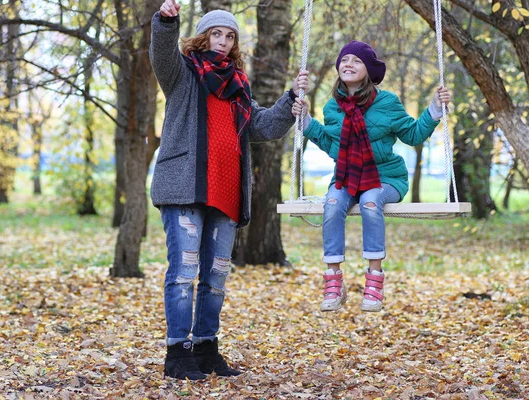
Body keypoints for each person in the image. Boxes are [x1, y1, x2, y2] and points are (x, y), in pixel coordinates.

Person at [150, 0, 309, 380]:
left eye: (230, 36)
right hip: (185, 190)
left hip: (226, 194)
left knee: (215, 278)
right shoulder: (183, 73)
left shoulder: (237, 86)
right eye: (216, 33)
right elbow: (161, 54)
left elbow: (263, 127)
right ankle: (177, 354)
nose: (223, 41)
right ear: (204, 36)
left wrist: (290, 101)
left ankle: (206, 349)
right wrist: (165, 22)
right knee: (184, 273)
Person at [291, 40, 451, 313]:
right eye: (344, 60)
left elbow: (412, 135)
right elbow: (333, 146)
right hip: (347, 177)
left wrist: (435, 108)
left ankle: (374, 281)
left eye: (356, 61)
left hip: (386, 178)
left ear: (368, 71)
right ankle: (333, 281)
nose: (348, 64)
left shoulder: (388, 102)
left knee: (370, 201)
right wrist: (306, 122)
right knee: (331, 204)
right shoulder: (332, 107)